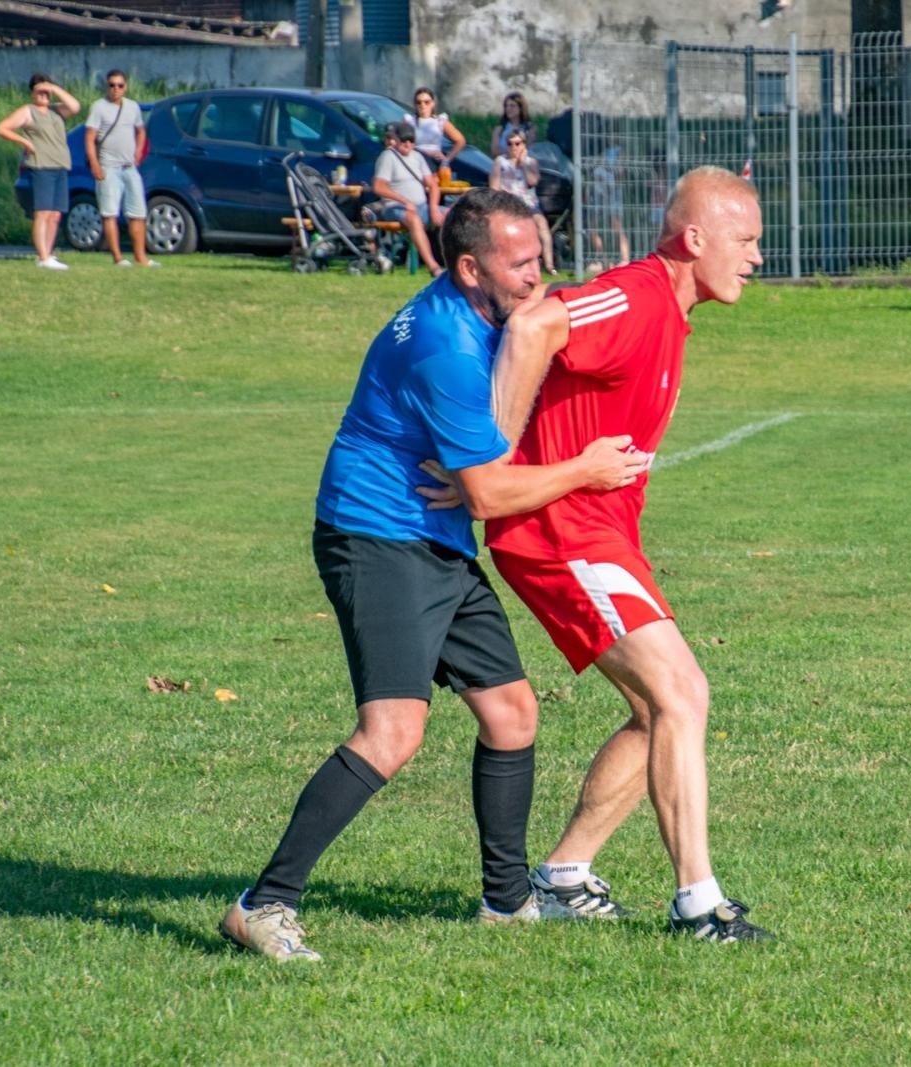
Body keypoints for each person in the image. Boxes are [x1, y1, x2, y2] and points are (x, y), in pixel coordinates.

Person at [219, 189, 650, 963]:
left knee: (514, 713)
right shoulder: (444, 348)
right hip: (376, 535)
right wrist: (584, 469)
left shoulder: (482, 314)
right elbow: (486, 497)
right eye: (520, 263)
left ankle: (506, 901)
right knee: (393, 732)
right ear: (467, 266)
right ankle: (264, 903)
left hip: (433, 541)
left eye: (540, 256)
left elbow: (478, 478)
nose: (537, 275)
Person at [471, 166, 774, 943]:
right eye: (745, 240)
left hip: (599, 535)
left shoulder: (672, 314)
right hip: (558, 533)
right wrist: (494, 456)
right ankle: (700, 904)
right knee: (684, 693)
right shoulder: (637, 294)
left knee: (655, 711)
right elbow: (536, 323)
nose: (756, 257)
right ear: (695, 238)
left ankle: (566, 874)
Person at [0, 74, 80, 271]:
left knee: (55, 214)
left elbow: (75, 106)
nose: (43, 95)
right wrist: (24, 141)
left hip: (60, 165)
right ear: (32, 92)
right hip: (41, 166)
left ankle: (49, 254)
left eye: (45, 91)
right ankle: (42, 256)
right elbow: (2, 128)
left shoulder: (56, 111)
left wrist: (54, 88)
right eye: (38, 90)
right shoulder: (28, 111)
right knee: (42, 212)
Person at [84, 69, 156, 268]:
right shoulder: (98, 107)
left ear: (126, 87)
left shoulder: (132, 107)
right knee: (110, 213)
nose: (116, 89)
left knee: (138, 213)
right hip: (108, 166)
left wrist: (138, 153)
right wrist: (95, 164)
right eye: (112, 85)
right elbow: (89, 138)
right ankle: (117, 258)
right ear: (106, 86)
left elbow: (141, 131)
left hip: (129, 167)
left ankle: (141, 257)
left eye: (120, 85)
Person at [371, 122, 444, 277]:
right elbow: (378, 187)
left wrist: (434, 208)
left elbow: (433, 185)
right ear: (396, 140)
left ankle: (460, 262)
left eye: (411, 141)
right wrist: (404, 201)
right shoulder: (388, 157)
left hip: (422, 205)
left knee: (454, 214)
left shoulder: (417, 157)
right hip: (395, 207)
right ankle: (433, 267)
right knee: (414, 219)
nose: (408, 145)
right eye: (404, 141)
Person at [490, 130, 555, 274]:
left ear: (524, 145)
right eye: (510, 144)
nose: (513, 147)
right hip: (508, 203)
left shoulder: (531, 162)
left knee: (541, 225)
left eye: (517, 144)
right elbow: (493, 186)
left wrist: (523, 163)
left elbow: (533, 181)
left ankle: (549, 264)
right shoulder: (500, 161)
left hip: (528, 203)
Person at [586, 143, 631, 273]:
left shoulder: (620, 151)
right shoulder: (602, 151)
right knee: (593, 227)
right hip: (598, 195)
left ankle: (625, 259)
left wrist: (610, 181)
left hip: (613, 195)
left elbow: (620, 176)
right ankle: (602, 259)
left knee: (617, 226)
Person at [404, 86, 466, 168]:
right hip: (413, 162)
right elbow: (399, 142)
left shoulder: (440, 121)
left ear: (433, 103)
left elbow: (460, 141)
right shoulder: (409, 121)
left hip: (434, 164)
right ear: (415, 104)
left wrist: (446, 160)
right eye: (419, 102)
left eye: (427, 102)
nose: (422, 105)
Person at [490, 92, 536, 159]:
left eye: (512, 106)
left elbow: (528, 150)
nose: (508, 109)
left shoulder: (529, 128)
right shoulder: (500, 128)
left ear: (521, 108)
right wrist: (512, 152)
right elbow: (494, 151)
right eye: (506, 106)